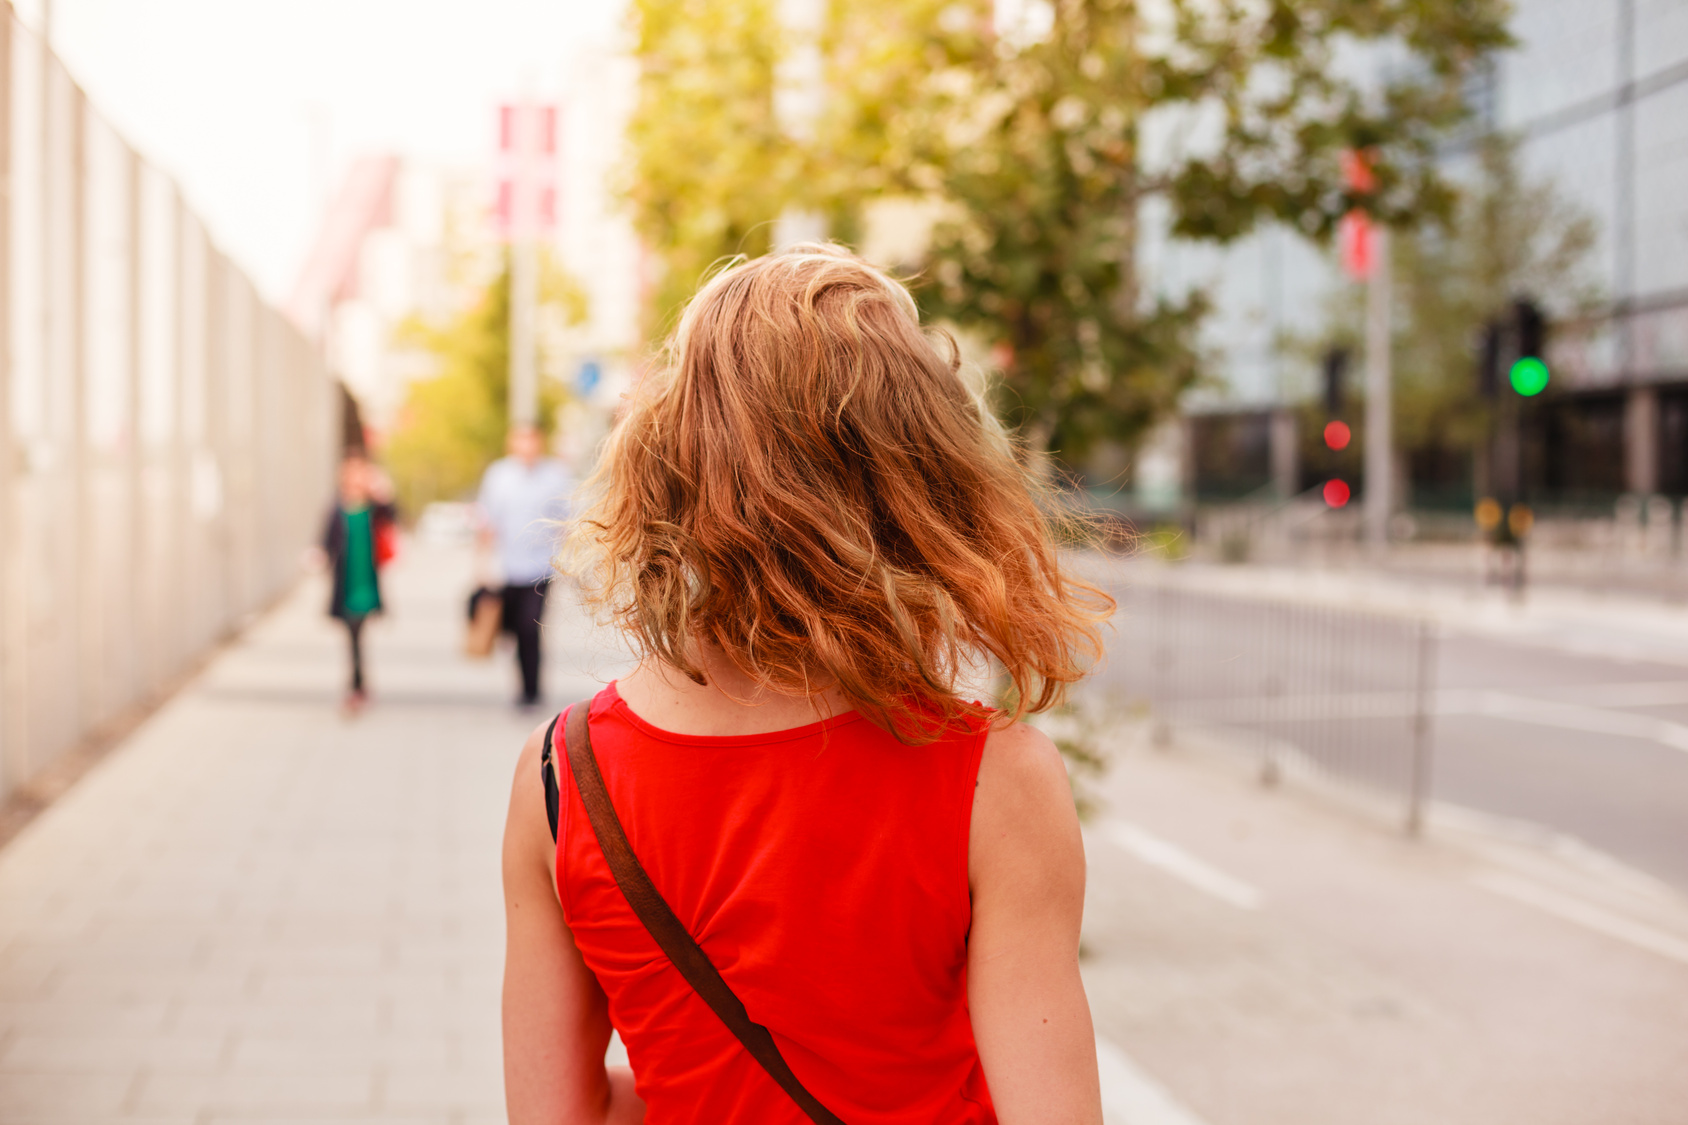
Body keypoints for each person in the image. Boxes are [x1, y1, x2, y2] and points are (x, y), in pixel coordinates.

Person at [502, 245, 1113, 1123]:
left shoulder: (562, 774)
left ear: (668, 468)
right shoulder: (993, 780)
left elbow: (560, 1111)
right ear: (920, 483)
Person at [477, 424, 574, 707]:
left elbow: (566, 521)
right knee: (513, 631)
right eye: (521, 440)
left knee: (530, 627)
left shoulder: (555, 476)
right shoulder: (499, 475)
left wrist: (570, 561)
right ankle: (522, 683)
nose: (527, 446)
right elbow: (488, 521)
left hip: (541, 568)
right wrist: (481, 566)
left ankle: (532, 690)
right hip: (506, 567)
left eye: (532, 440)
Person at [321, 453, 395, 713]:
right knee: (353, 632)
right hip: (347, 581)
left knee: (357, 631)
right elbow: (326, 539)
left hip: (367, 579)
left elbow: (394, 516)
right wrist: (319, 555)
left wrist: (382, 490)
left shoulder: (374, 507)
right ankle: (358, 684)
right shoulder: (338, 507)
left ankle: (357, 685)